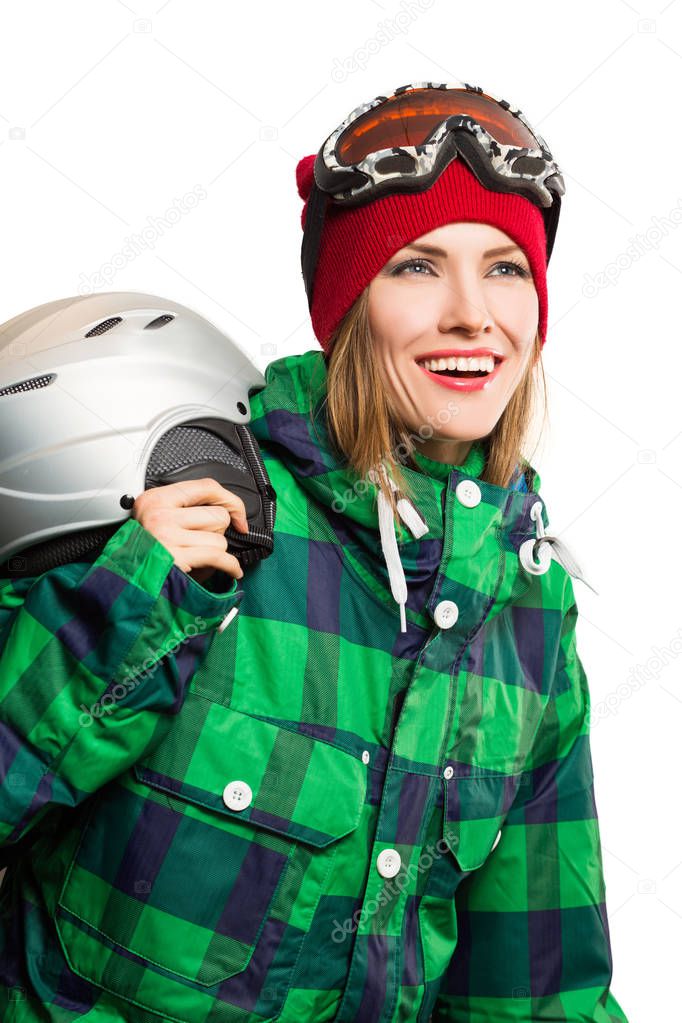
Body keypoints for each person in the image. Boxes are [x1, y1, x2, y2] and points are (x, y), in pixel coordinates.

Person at [0, 81, 629, 1022]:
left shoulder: (529, 616)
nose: (472, 315)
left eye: (505, 268)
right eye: (417, 267)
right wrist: (126, 604)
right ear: (346, 306)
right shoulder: (196, 508)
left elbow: (535, 995)